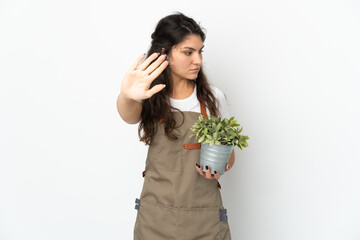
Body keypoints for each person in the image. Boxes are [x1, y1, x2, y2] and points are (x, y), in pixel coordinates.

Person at [117, 12, 234, 240]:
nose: (198, 60)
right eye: (188, 52)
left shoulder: (213, 98)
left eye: (200, 51)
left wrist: (219, 167)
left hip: (205, 221)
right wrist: (126, 95)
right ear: (165, 55)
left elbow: (228, 156)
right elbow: (129, 116)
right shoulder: (149, 94)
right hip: (155, 222)